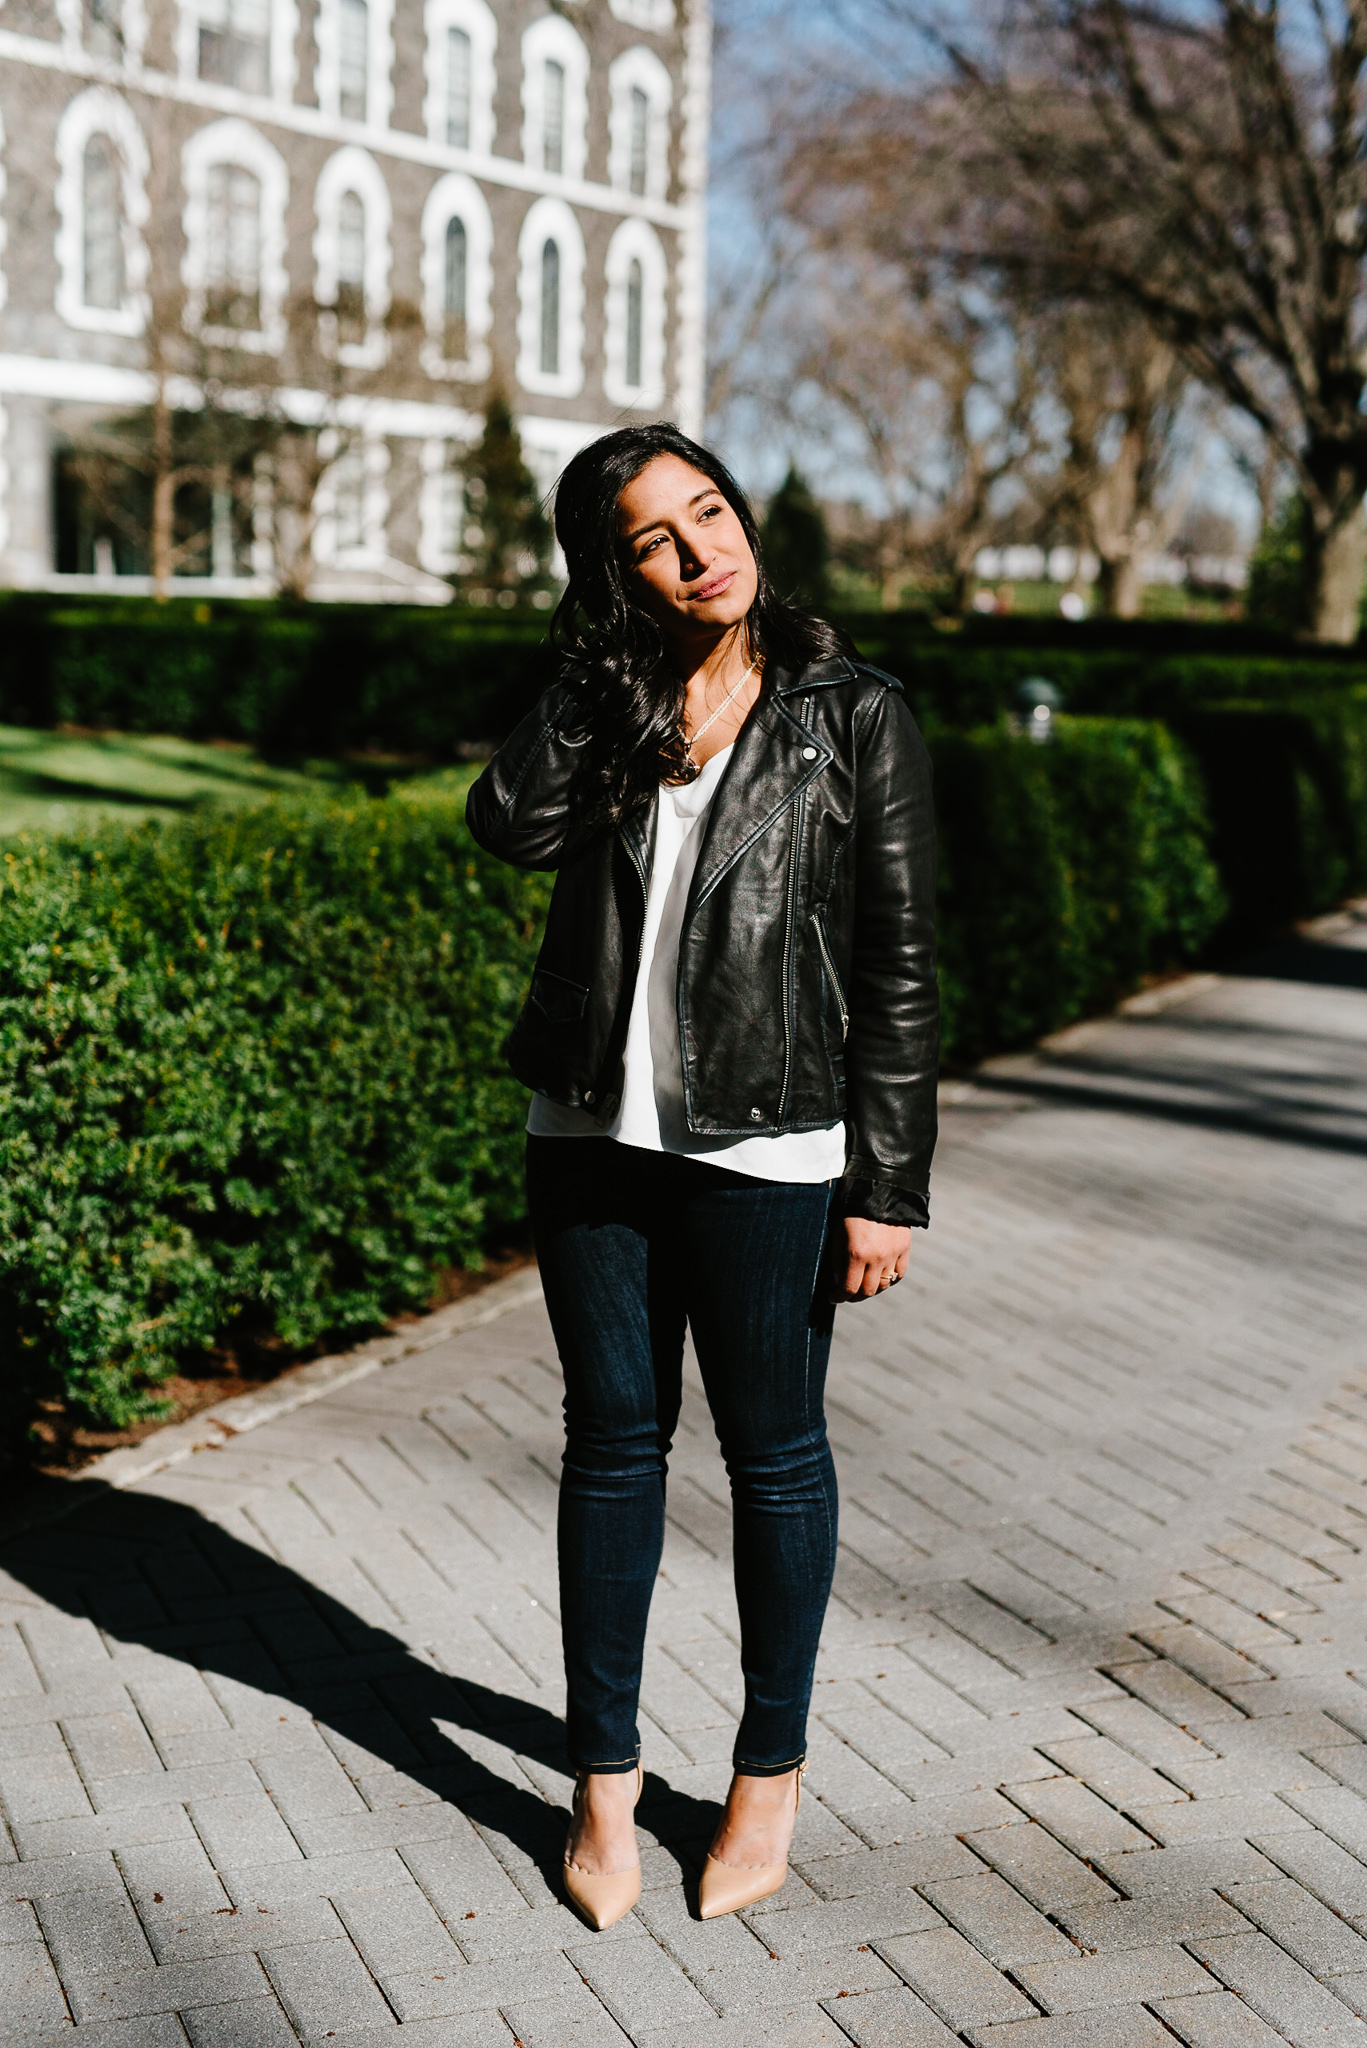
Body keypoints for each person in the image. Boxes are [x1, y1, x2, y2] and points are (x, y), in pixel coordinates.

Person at [466, 424, 938, 1929]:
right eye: (654, 540)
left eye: (710, 511)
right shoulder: (614, 707)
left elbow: (903, 963)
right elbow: (507, 821)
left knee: (774, 1458)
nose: (700, 549)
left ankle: (767, 1776)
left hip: (776, 1145)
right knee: (612, 1450)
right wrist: (604, 665)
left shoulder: (852, 715)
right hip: (591, 1138)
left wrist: (891, 1180)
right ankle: (601, 1792)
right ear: (618, 575)